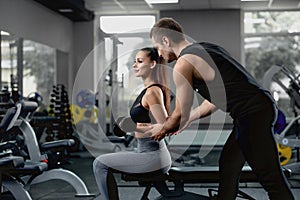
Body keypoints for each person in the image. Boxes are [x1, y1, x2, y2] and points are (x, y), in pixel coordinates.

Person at [148, 17, 294, 200]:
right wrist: (189, 119)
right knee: (229, 165)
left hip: (252, 113)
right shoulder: (208, 48)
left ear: (166, 40)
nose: (159, 54)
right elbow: (217, 99)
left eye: (157, 47)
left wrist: (161, 129)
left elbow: (179, 112)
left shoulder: (184, 63)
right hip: (255, 110)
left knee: (272, 178)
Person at [93, 47, 172, 200]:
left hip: (153, 157)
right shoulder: (146, 91)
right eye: (135, 61)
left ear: (153, 64)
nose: (135, 65)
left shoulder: (152, 92)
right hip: (145, 153)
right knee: (103, 161)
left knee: (99, 164)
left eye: (140, 61)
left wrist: (133, 128)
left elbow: (165, 127)